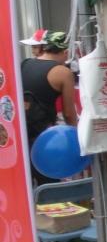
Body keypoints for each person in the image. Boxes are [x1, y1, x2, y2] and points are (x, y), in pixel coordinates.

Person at [21, 30, 78, 184]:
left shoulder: (24, 64)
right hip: (44, 138)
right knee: (49, 184)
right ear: (65, 52)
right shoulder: (63, 72)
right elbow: (69, 113)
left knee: (26, 185)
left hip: (20, 134)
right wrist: (75, 137)